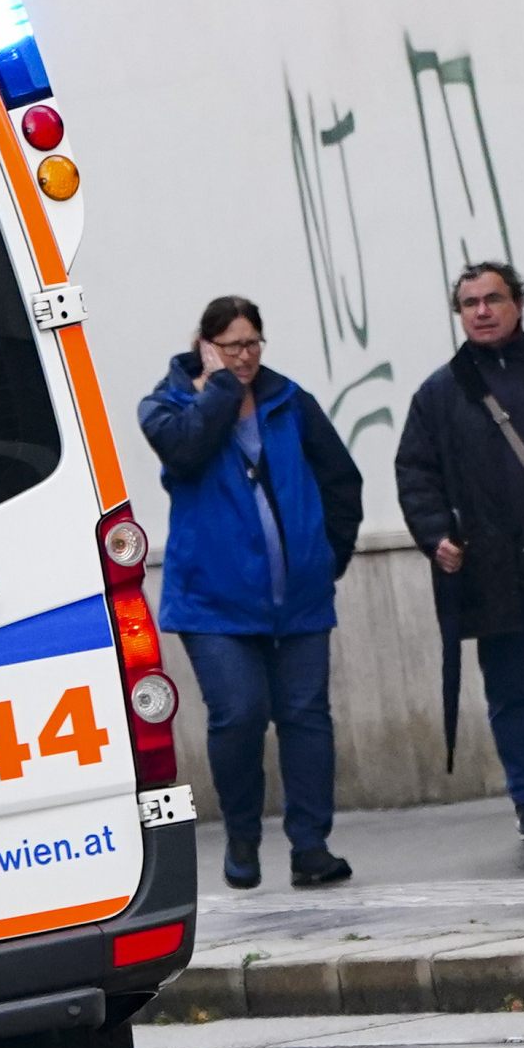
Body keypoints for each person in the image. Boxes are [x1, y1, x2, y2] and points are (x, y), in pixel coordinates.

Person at [140, 296, 363, 888]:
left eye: (253, 344)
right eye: (232, 345)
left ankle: (311, 846)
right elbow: (186, 452)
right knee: (239, 715)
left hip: (300, 598)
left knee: (305, 716)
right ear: (205, 345)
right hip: (213, 605)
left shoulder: (290, 402)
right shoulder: (166, 406)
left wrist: (325, 556)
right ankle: (242, 835)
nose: (246, 356)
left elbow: (342, 479)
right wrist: (214, 389)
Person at [396, 261, 524, 839]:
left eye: (493, 299)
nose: (482, 311)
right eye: (470, 303)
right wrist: (437, 534)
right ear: (459, 313)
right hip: (490, 571)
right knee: (510, 692)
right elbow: (415, 471)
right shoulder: (441, 392)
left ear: (518, 304)